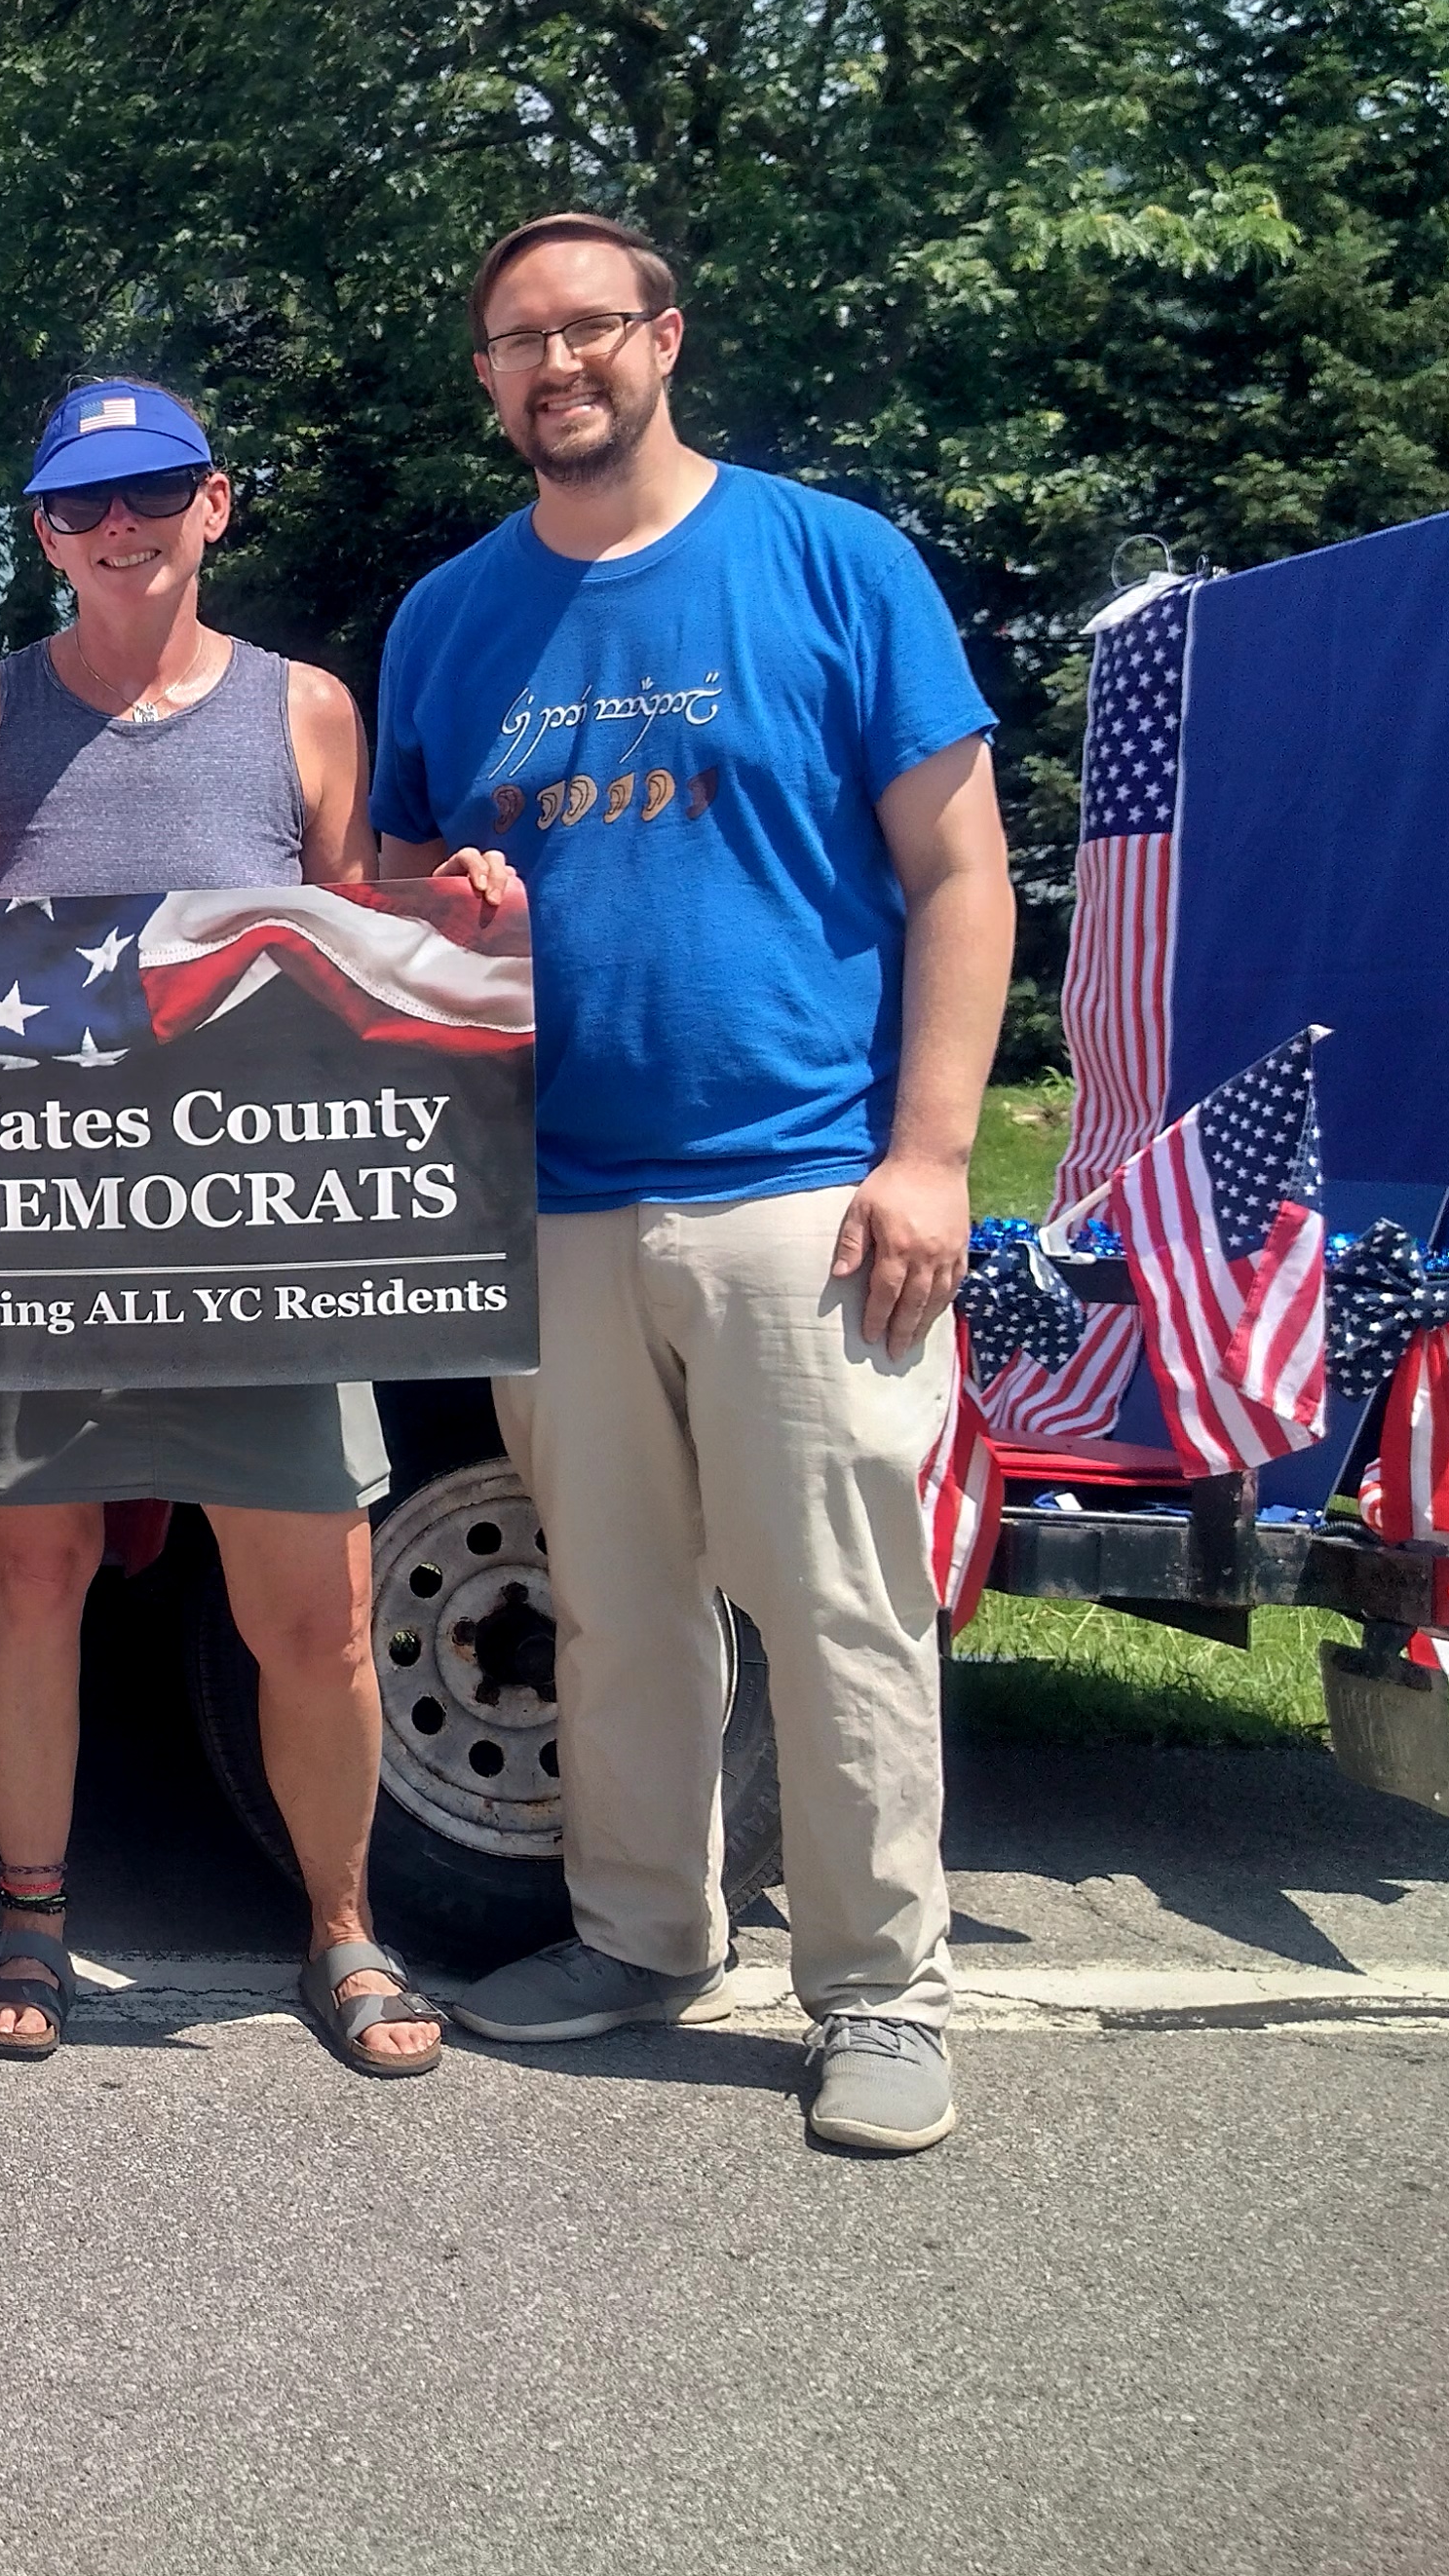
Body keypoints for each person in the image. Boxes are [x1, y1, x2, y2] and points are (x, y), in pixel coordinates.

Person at [372, 213, 1010, 2159]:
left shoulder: (829, 558)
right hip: (548, 1196)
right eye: (515, 339)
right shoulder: (448, 617)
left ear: (663, 335)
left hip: (800, 1187)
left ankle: (879, 1988)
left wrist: (930, 1152)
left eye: (587, 327)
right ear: (485, 377)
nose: (554, 363)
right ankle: (639, 1932)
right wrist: (440, 901)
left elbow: (957, 869)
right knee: (615, 1605)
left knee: (836, 1608)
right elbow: (397, 901)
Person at [0, 378, 440, 2076]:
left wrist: (453, 913)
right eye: (79, 505)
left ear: (215, 504)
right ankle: (32, 1912)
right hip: (41, 1236)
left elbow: (365, 947)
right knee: (30, 1576)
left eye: (153, 492)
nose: (118, 527)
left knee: (319, 1611)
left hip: (261, 1230)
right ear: (44, 531)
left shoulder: (309, 712)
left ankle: (344, 1925)